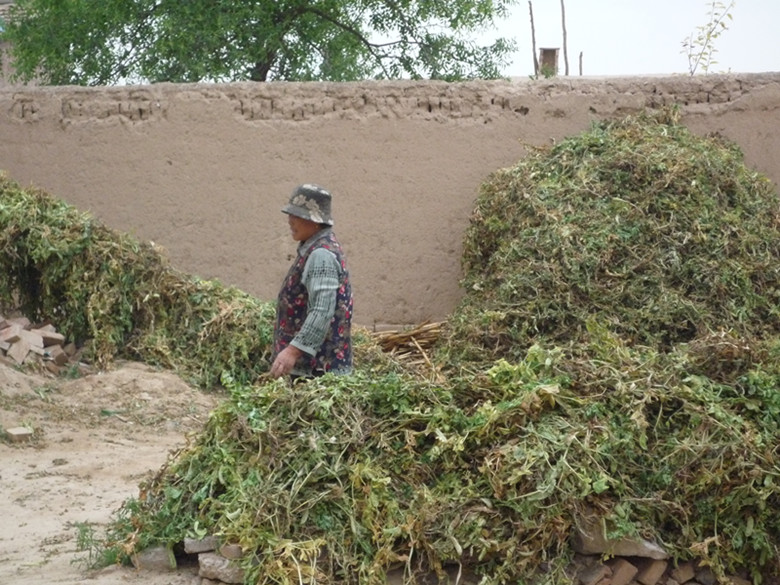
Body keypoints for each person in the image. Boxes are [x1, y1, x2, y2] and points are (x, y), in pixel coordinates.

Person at [270, 184, 353, 380]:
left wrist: (292, 352)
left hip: (317, 373)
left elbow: (321, 311)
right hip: (312, 372)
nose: (290, 221)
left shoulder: (321, 255)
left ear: (314, 221)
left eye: (297, 216)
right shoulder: (315, 249)